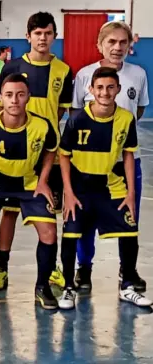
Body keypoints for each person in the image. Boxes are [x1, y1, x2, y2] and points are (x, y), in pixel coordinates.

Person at [0, 12, 72, 292]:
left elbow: (61, 109)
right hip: (13, 153)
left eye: (48, 33)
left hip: (46, 153)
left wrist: (43, 130)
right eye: (37, 33)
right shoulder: (11, 66)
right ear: (28, 37)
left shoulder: (63, 70)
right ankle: (2, 267)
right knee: (9, 213)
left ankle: (51, 269)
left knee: (50, 212)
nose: (42, 38)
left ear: (54, 36)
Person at [58, 66, 152, 310]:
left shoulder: (125, 119)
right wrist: (67, 192)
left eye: (111, 87)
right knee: (70, 235)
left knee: (130, 230)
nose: (105, 92)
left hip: (111, 186)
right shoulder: (77, 119)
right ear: (90, 90)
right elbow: (64, 156)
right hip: (79, 189)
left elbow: (129, 156)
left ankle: (127, 286)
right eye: (99, 87)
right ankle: (69, 288)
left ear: (118, 89)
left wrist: (131, 192)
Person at [0, 73, 59, 310]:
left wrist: (43, 180)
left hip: (29, 184)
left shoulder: (42, 126)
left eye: (20, 94)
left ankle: (42, 287)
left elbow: (50, 150)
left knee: (49, 232)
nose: (15, 100)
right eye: (9, 95)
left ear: (28, 96)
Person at [71, 21, 148, 292]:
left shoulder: (138, 74)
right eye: (111, 42)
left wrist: (119, 138)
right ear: (99, 45)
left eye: (122, 42)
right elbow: (76, 116)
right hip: (89, 164)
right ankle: (84, 270)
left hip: (126, 161)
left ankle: (128, 272)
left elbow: (136, 111)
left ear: (129, 45)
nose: (117, 47)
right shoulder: (84, 75)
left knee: (129, 214)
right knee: (85, 219)